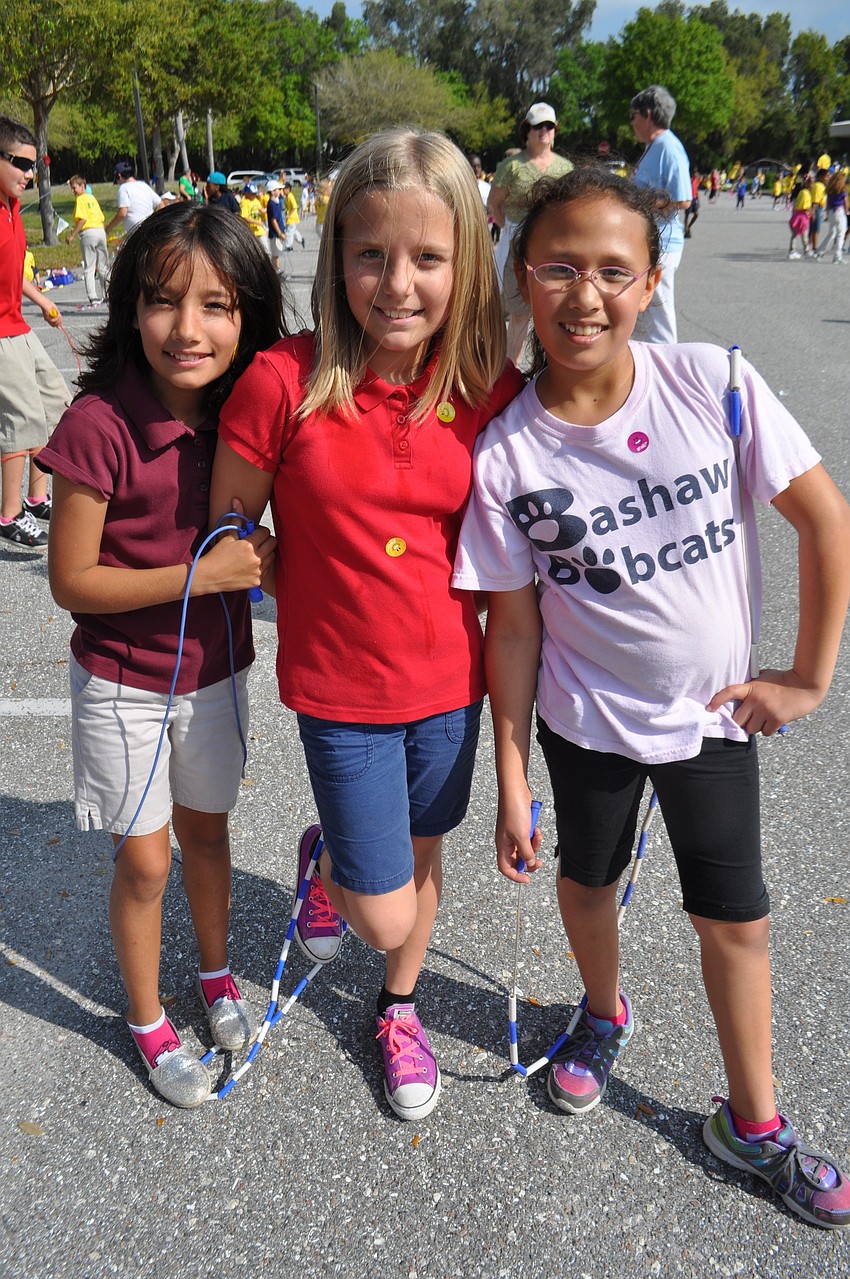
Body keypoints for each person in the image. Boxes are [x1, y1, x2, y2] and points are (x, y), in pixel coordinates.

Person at [453, 166, 850, 1231]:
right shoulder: (506, 453)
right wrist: (507, 772)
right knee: (588, 887)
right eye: (560, 268)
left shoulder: (711, 380)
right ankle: (597, 1011)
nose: (585, 295)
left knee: (737, 923)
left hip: (714, 717)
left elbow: (825, 518)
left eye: (613, 271)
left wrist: (805, 674)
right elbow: (516, 625)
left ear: (651, 279)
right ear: (522, 279)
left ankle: (753, 1123)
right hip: (585, 727)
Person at [210, 127, 524, 1123]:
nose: (397, 283)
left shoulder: (488, 390)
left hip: (450, 682)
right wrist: (241, 561)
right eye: (370, 254)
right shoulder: (281, 382)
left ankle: (399, 1007)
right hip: (340, 683)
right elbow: (230, 531)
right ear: (337, 255)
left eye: (428, 258)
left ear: (463, 265)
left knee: (422, 864)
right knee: (379, 904)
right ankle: (331, 861)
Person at [39, 204, 285, 1108]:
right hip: (120, 682)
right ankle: (146, 1014)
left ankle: (216, 976)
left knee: (209, 834)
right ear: (130, 307)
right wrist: (201, 574)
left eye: (218, 305)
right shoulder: (100, 421)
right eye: (163, 301)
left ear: (248, 315)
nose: (189, 329)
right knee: (144, 863)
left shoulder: (251, 415)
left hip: (216, 673)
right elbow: (72, 579)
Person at [0, 116, 69, 547]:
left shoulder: (12, 209)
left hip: (18, 325)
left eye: (34, 166)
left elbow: (11, 271)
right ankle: (8, 516)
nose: (30, 174)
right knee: (22, 420)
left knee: (56, 404)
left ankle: (36, 496)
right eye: (21, 164)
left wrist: (41, 299)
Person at [487, 104, 573, 365]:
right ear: (527, 131)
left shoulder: (566, 167)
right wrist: (511, 229)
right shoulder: (510, 166)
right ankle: (510, 371)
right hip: (517, 245)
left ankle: (552, 370)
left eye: (549, 126)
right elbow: (494, 204)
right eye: (538, 126)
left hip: (555, 249)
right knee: (519, 313)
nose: (544, 131)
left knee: (555, 310)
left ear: (555, 131)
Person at [630, 84, 691, 344]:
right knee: (644, 314)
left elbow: (683, 199)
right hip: (649, 241)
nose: (631, 123)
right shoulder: (654, 146)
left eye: (633, 116)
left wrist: (638, 199)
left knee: (659, 316)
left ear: (646, 114)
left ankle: (669, 370)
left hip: (663, 244)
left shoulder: (668, 146)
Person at [66, 174, 109, 308]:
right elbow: (101, 216)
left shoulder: (81, 199)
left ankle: (93, 297)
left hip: (89, 232)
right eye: (72, 189)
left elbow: (82, 219)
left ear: (82, 186)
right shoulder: (92, 198)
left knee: (89, 267)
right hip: (100, 231)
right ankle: (108, 294)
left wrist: (73, 235)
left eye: (75, 188)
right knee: (103, 265)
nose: (73, 191)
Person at [104, 162, 162, 236]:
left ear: (119, 176)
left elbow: (122, 213)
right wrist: (157, 219)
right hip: (149, 226)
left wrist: (108, 228)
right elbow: (160, 203)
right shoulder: (144, 185)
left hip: (136, 231)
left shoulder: (124, 188)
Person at [818, 170, 848, 263]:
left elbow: (828, 203)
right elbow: (846, 203)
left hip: (831, 211)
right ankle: (837, 256)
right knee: (840, 234)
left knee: (831, 233)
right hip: (839, 211)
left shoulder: (830, 190)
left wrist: (827, 213)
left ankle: (819, 251)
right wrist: (846, 212)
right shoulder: (842, 190)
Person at [788, 174, 812, 259]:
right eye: (811, 183)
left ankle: (792, 250)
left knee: (795, 234)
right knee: (804, 234)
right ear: (807, 184)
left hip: (797, 214)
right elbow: (805, 206)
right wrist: (811, 212)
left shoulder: (802, 192)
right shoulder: (806, 193)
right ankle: (806, 250)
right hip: (803, 216)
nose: (812, 185)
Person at [265, 179, 286, 269]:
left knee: (277, 253)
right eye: (278, 189)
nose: (280, 191)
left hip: (278, 233)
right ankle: (276, 271)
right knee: (275, 254)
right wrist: (280, 233)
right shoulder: (271, 204)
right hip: (275, 234)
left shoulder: (276, 202)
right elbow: (274, 220)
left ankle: (277, 269)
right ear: (272, 192)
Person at [282, 182, 304, 250]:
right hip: (290, 218)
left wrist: (289, 214)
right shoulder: (287, 197)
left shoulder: (290, 196)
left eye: (284, 189)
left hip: (292, 217)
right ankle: (301, 239)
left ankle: (289, 246)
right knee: (293, 231)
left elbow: (294, 207)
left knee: (289, 232)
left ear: (288, 189)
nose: (283, 190)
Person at [684, 170, 700, 238]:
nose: (696, 174)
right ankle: (686, 230)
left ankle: (688, 227)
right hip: (688, 198)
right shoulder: (688, 180)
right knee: (687, 215)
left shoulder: (696, 180)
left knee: (696, 214)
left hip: (694, 199)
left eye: (697, 173)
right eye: (695, 173)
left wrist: (698, 200)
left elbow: (696, 190)